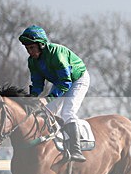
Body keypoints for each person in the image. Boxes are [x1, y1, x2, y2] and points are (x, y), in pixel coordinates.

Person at [18, 25, 90, 163]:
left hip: (77, 79)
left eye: (32, 48)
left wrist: (48, 98)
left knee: (67, 112)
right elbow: (38, 83)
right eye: (27, 49)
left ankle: (76, 150)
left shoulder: (57, 53)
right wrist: (32, 98)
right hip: (61, 81)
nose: (30, 52)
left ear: (41, 45)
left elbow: (66, 82)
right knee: (47, 112)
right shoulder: (32, 61)